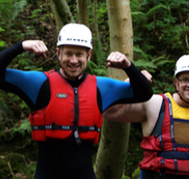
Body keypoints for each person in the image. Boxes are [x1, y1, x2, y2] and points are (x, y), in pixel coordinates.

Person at [0, 23, 153, 179]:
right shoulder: (39, 83)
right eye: (68, 54)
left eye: (79, 54)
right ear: (59, 53)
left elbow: (144, 93)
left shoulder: (101, 87)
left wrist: (129, 67)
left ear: (89, 55)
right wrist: (21, 46)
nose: (73, 60)